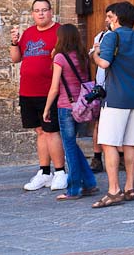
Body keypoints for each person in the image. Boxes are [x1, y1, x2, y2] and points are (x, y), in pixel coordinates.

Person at [90, 1, 134, 208]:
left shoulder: (111, 37)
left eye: (108, 17)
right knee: (130, 143)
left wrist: (94, 53)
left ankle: (114, 189)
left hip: (116, 97)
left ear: (115, 17)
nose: (106, 20)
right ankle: (130, 187)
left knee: (108, 143)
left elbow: (105, 63)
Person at [10, 0, 67, 191]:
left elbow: (68, 58)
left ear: (51, 12)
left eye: (44, 10)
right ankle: (44, 172)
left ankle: (60, 172)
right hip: (27, 91)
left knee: (52, 131)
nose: (40, 14)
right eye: (37, 11)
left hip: (49, 91)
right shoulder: (28, 33)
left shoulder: (59, 32)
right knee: (40, 131)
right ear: (32, 13)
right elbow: (16, 58)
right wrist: (14, 42)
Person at [42, 24, 99, 200]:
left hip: (66, 106)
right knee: (72, 145)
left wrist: (46, 109)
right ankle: (89, 182)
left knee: (69, 146)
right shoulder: (82, 56)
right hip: (81, 105)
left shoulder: (60, 57)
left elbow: (54, 88)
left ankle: (74, 188)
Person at [89, 17, 112, 173]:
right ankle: (97, 157)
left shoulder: (122, 37)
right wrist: (95, 53)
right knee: (99, 121)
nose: (106, 20)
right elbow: (92, 58)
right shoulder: (100, 36)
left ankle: (121, 155)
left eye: (110, 17)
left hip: (116, 85)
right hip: (101, 84)